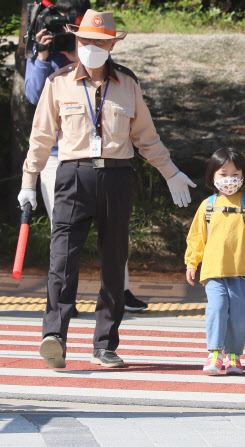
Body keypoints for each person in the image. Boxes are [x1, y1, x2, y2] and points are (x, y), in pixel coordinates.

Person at [17, 10, 196, 369]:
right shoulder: (58, 81)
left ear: (112, 44)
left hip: (116, 177)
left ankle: (105, 343)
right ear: (77, 41)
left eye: (100, 42)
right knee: (62, 261)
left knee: (114, 263)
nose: (91, 47)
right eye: (85, 41)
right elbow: (40, 139)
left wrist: (170, 171)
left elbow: (146, 138)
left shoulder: (127, 84)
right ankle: (54, 336)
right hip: (73, 176)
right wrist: (29, 182)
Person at [24, 0, 148, 313]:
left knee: (116, 236)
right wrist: (41, 55)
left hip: (109, 163)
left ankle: (121, 290)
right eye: (77, 32)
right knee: (64, 235)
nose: (84, 40)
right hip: (61, 159)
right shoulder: (52, 65)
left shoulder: (112, 68)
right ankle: (65, 300)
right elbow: (32, 95)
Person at [185, 148, 245, 376]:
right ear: (212, 177)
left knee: (240, 316)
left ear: (244, 176)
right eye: (223, 174)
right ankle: (214, 354)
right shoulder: (207, 205)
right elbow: (196, 237)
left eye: (235, 174)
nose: (229, 180)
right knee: (216, 309)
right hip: (215, 272)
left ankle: (233, 356)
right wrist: (191, 263)